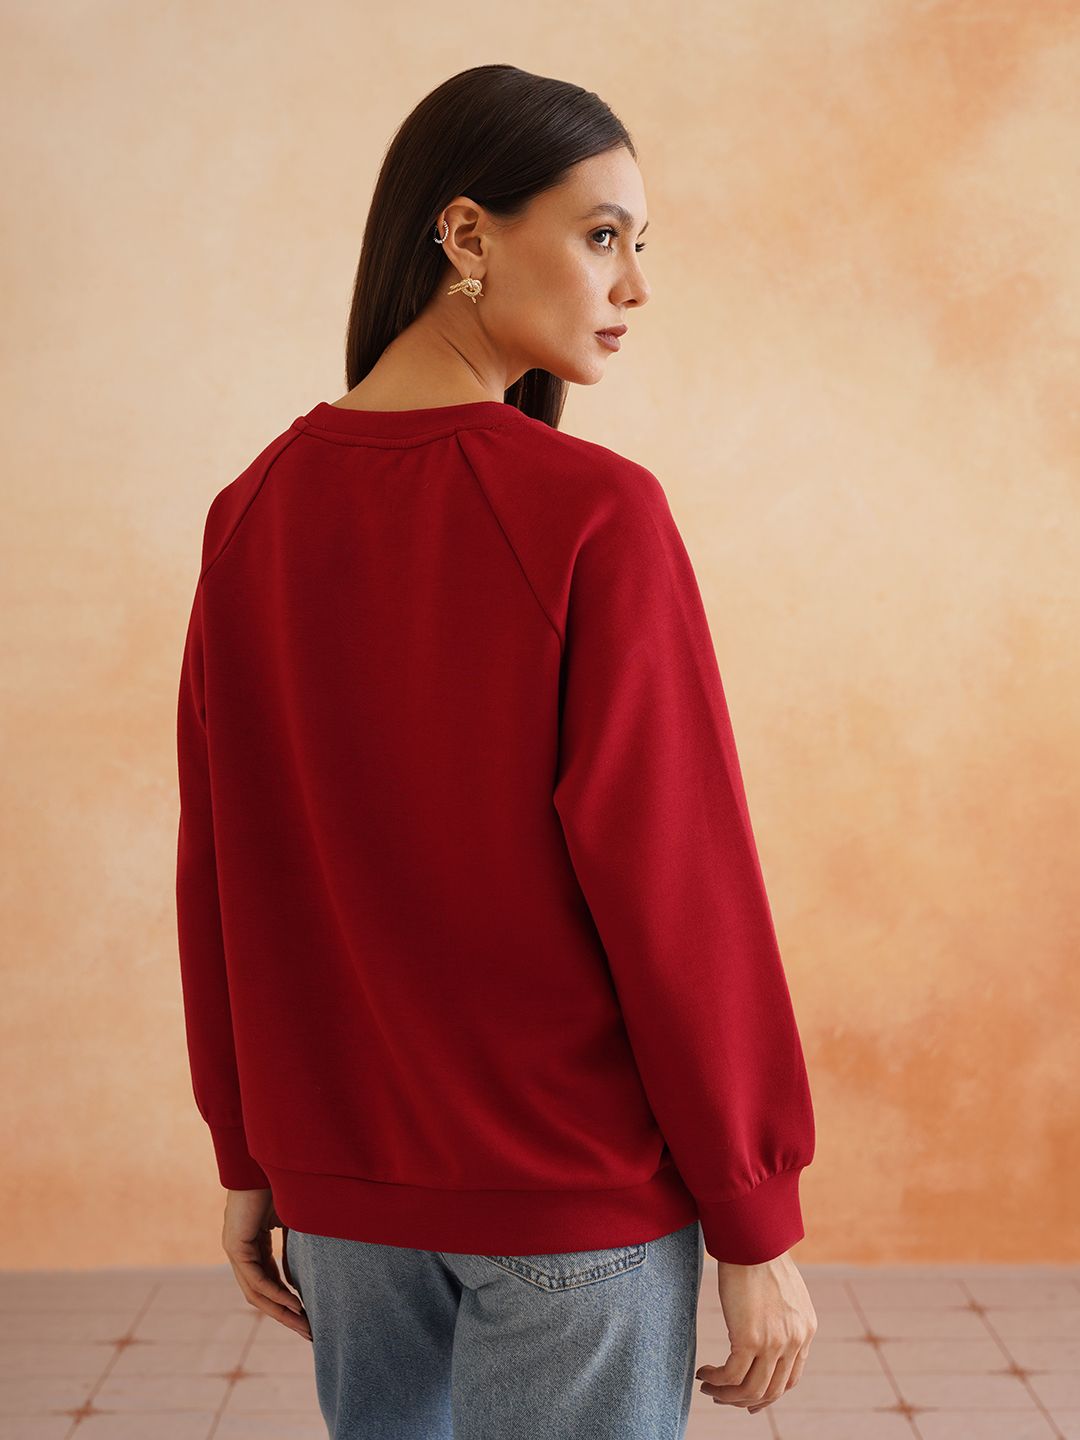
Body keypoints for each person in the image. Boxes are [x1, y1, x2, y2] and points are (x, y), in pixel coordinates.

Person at [175, 63, 817, 1439]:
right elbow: (679, 891)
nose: (635, 284)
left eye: (639, 243)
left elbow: (222, 873)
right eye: (602, 235)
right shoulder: (594, 515)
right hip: (569, 1197)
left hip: (345, 1199)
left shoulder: (250, 513)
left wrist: (250, 1155)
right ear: (465, 234)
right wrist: (755, 1217)